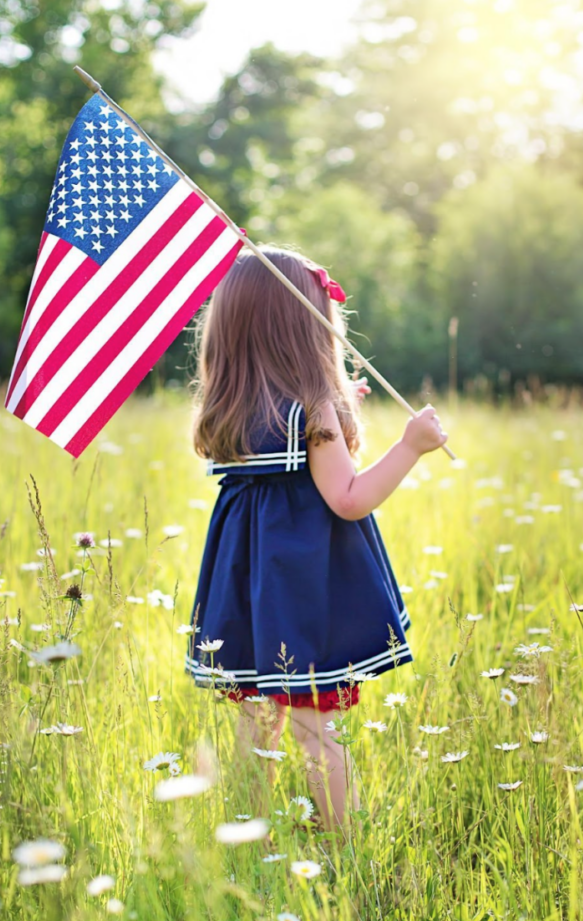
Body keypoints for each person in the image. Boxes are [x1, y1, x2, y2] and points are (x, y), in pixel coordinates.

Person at [184, 244, 449, 832]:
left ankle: (249, 845)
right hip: (302, 588)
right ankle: (341, 848)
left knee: (256, 723)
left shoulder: (229, 404)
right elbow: (348, 500)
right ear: (304, 325)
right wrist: (409, 447)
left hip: (247, 585)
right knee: (313, 729)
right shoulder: (314, 406)